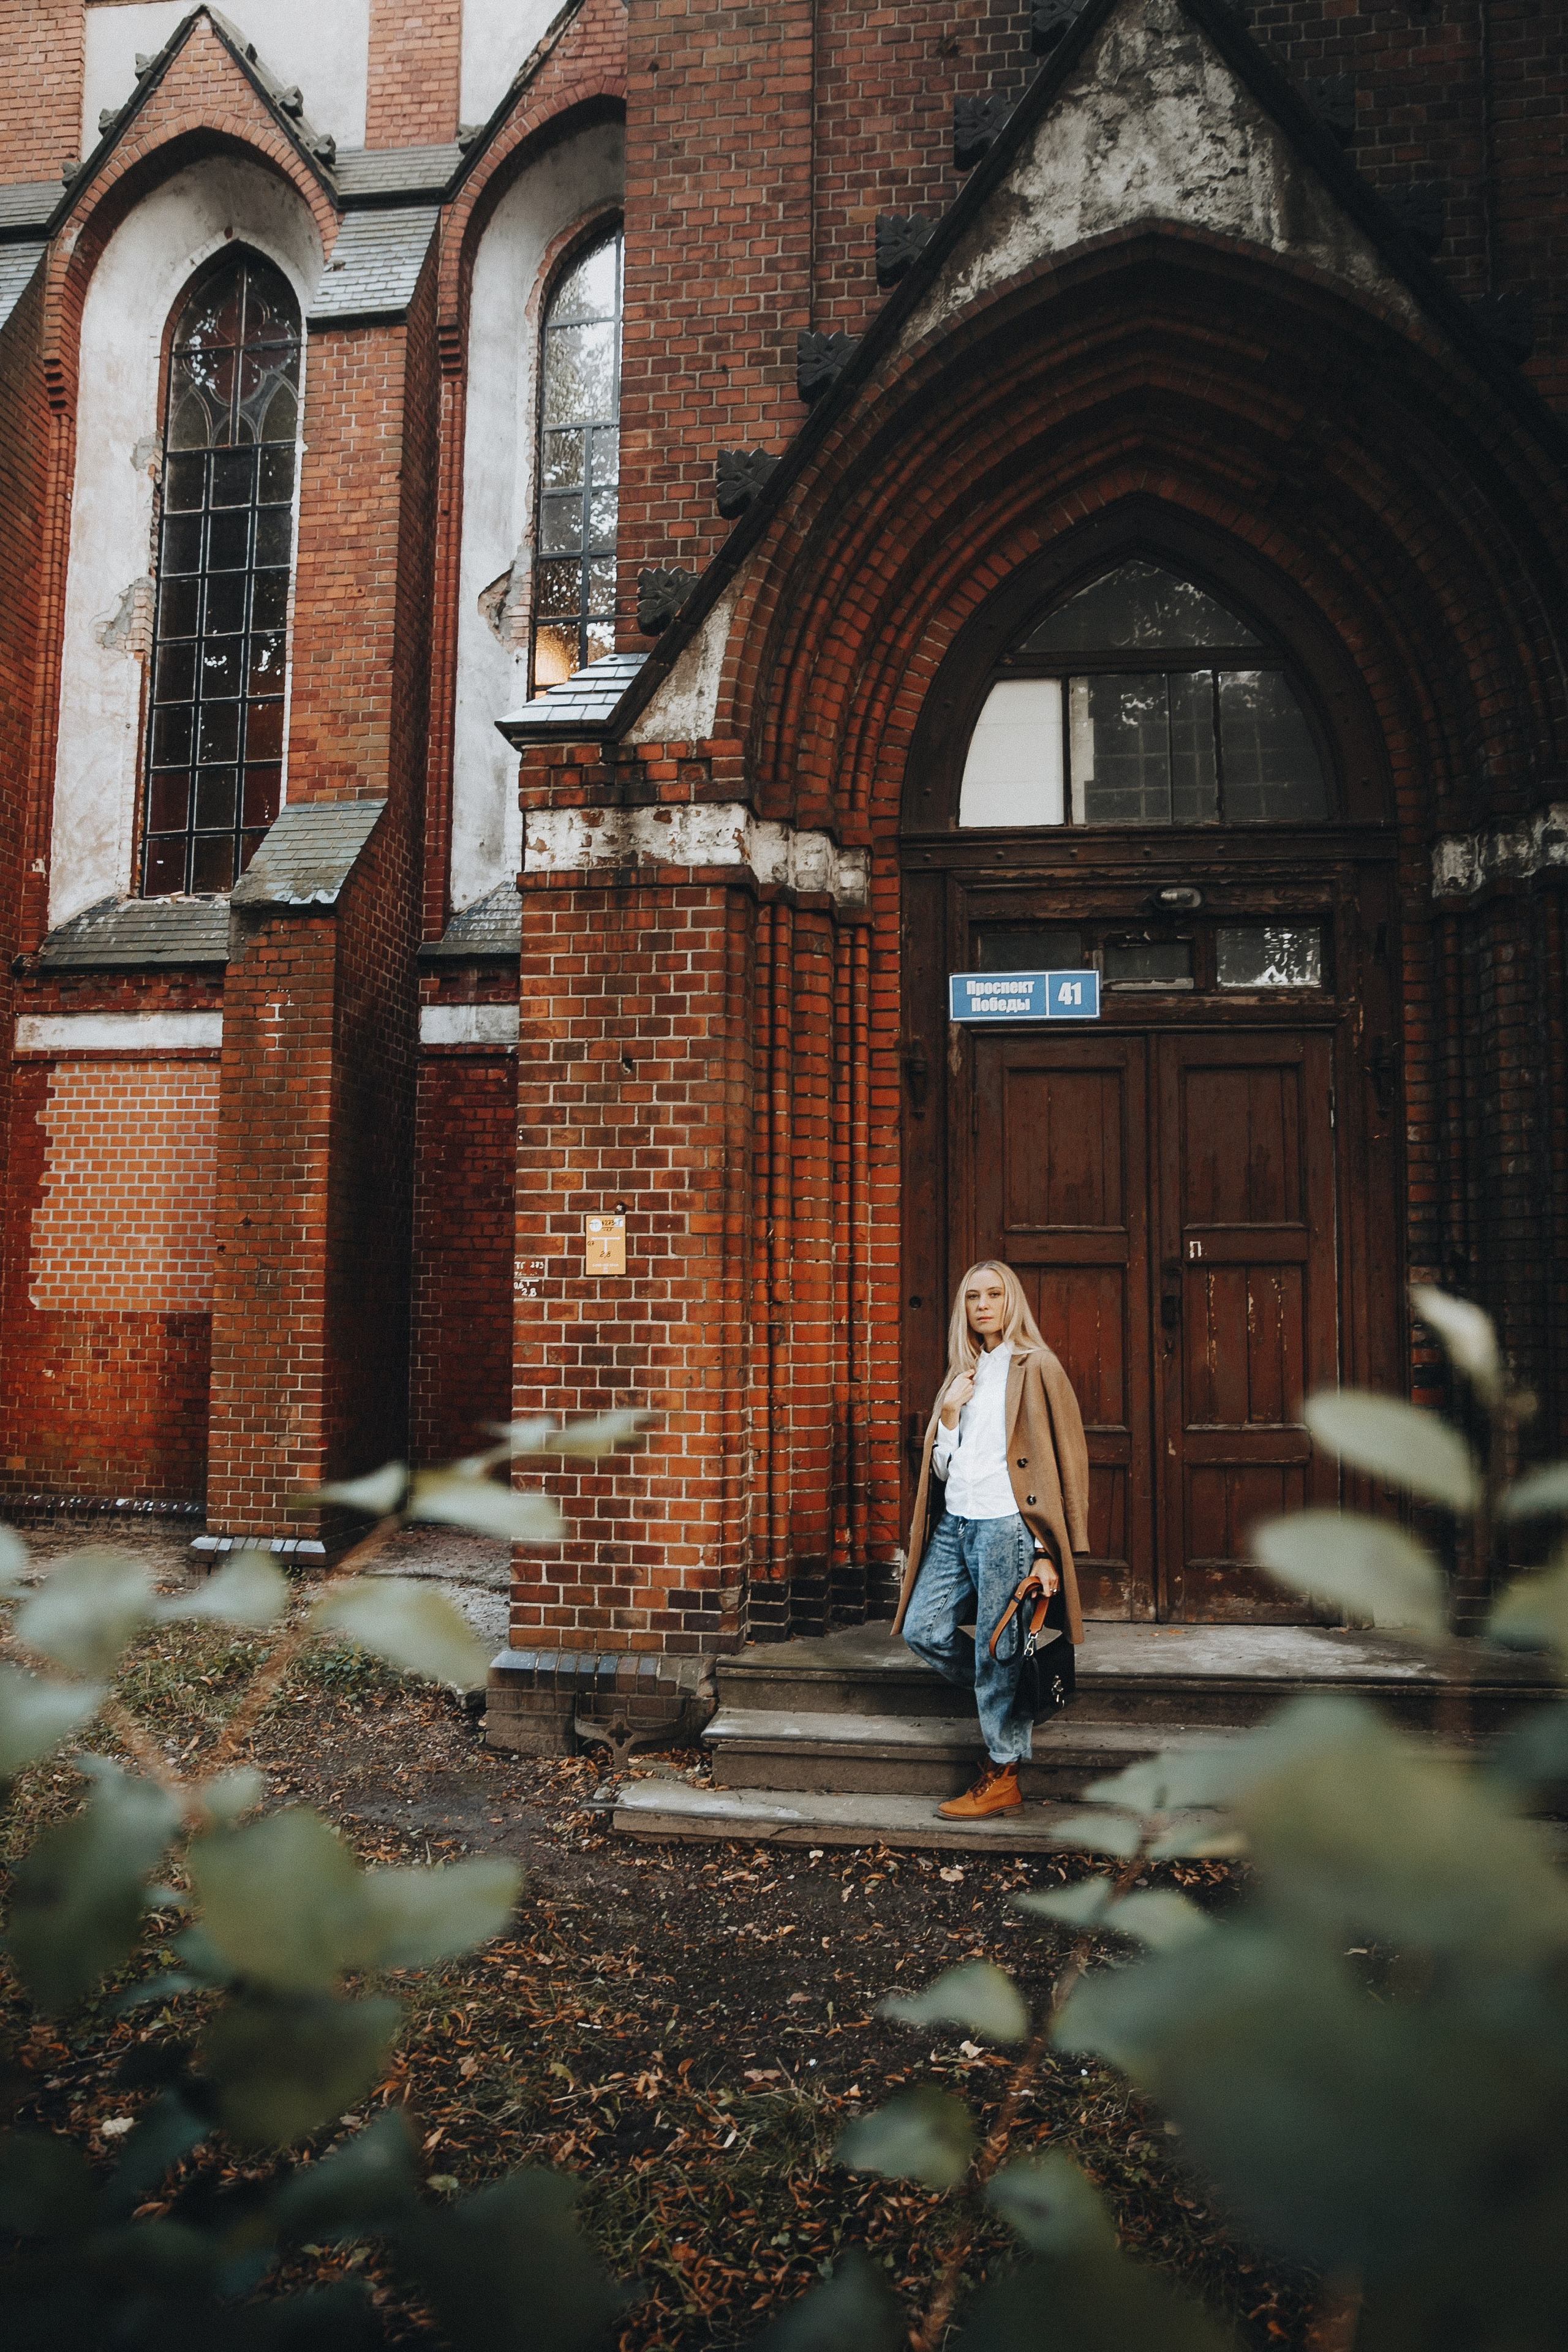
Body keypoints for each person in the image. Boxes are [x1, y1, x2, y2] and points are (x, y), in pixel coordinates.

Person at [892, 1261, 1090, 1820]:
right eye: (973, 1296)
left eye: (994, 1294)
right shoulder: (963, 1373)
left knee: (997, 1646)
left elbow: (1070, 1459)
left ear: (1011, 1301)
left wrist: (1049, 1551)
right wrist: (949, 1413)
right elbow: (942, 1470)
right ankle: (1012, 1694)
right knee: (925, 1630)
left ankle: (1003, 1771)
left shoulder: (1037, 1365)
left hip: (1007, 1526)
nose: (983, 1305)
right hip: (957, 1522)